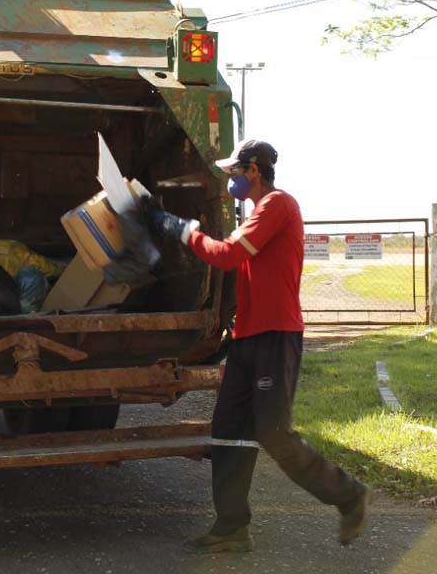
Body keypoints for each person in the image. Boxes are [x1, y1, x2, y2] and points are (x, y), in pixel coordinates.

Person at [148, 139, 369, 554]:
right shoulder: (255, 215)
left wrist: (183, 231)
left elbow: (228, 256)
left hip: (274, 336)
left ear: (253, 171)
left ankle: (349, 495)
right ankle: (232, 527)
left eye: (234, 171)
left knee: (273, 432)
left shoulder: (277, 205)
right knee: (229, 431)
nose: (229, 178)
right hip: (247, 338)